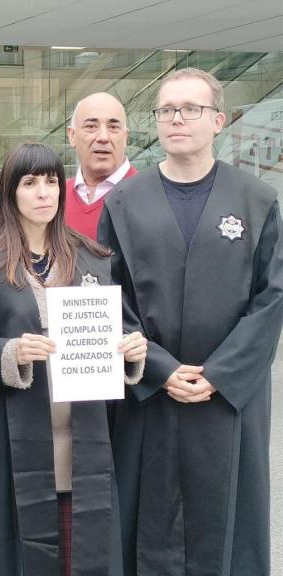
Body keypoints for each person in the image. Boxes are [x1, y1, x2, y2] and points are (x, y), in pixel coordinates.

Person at [99, 68, 283, 575]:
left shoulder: (256, 201)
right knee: (146, 518)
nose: (176, 119)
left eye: (190, 109)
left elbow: (272, 298)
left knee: (225, 523)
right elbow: (110, 295)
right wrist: (160, 369)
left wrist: (218, 375)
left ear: (219, 120)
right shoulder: (124, 203)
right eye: (166, 110)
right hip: (150, 392)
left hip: (226, 398)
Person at [0, 143, 147, 575]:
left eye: (50, 181)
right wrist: (9, 353)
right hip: (12, 447)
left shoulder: (92, 258)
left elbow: (121, 328)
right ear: (9, 193)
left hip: (82, 443)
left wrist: (131, 351)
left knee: (80, 557)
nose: (43, 192)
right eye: (29, 183)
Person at [64, 93, 136, 240]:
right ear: (72, 136)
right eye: (91, 126)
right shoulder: (54, 198)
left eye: (113, 127)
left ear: (125, 137)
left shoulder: (151, 196)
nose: (103, 137)